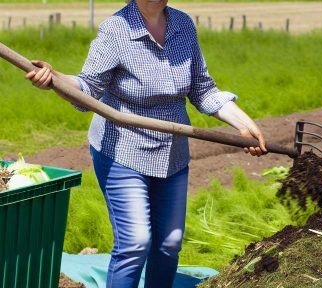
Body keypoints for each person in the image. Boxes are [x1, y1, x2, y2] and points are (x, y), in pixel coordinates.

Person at [25, 0, 267, 287]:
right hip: (123, 149)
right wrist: (55, 79)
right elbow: (88, 87)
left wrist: (245, 124)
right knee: (135, 242)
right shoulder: (116, 29)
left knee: (169, 243)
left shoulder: (183, 25)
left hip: (172, 153)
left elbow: (202, 89)